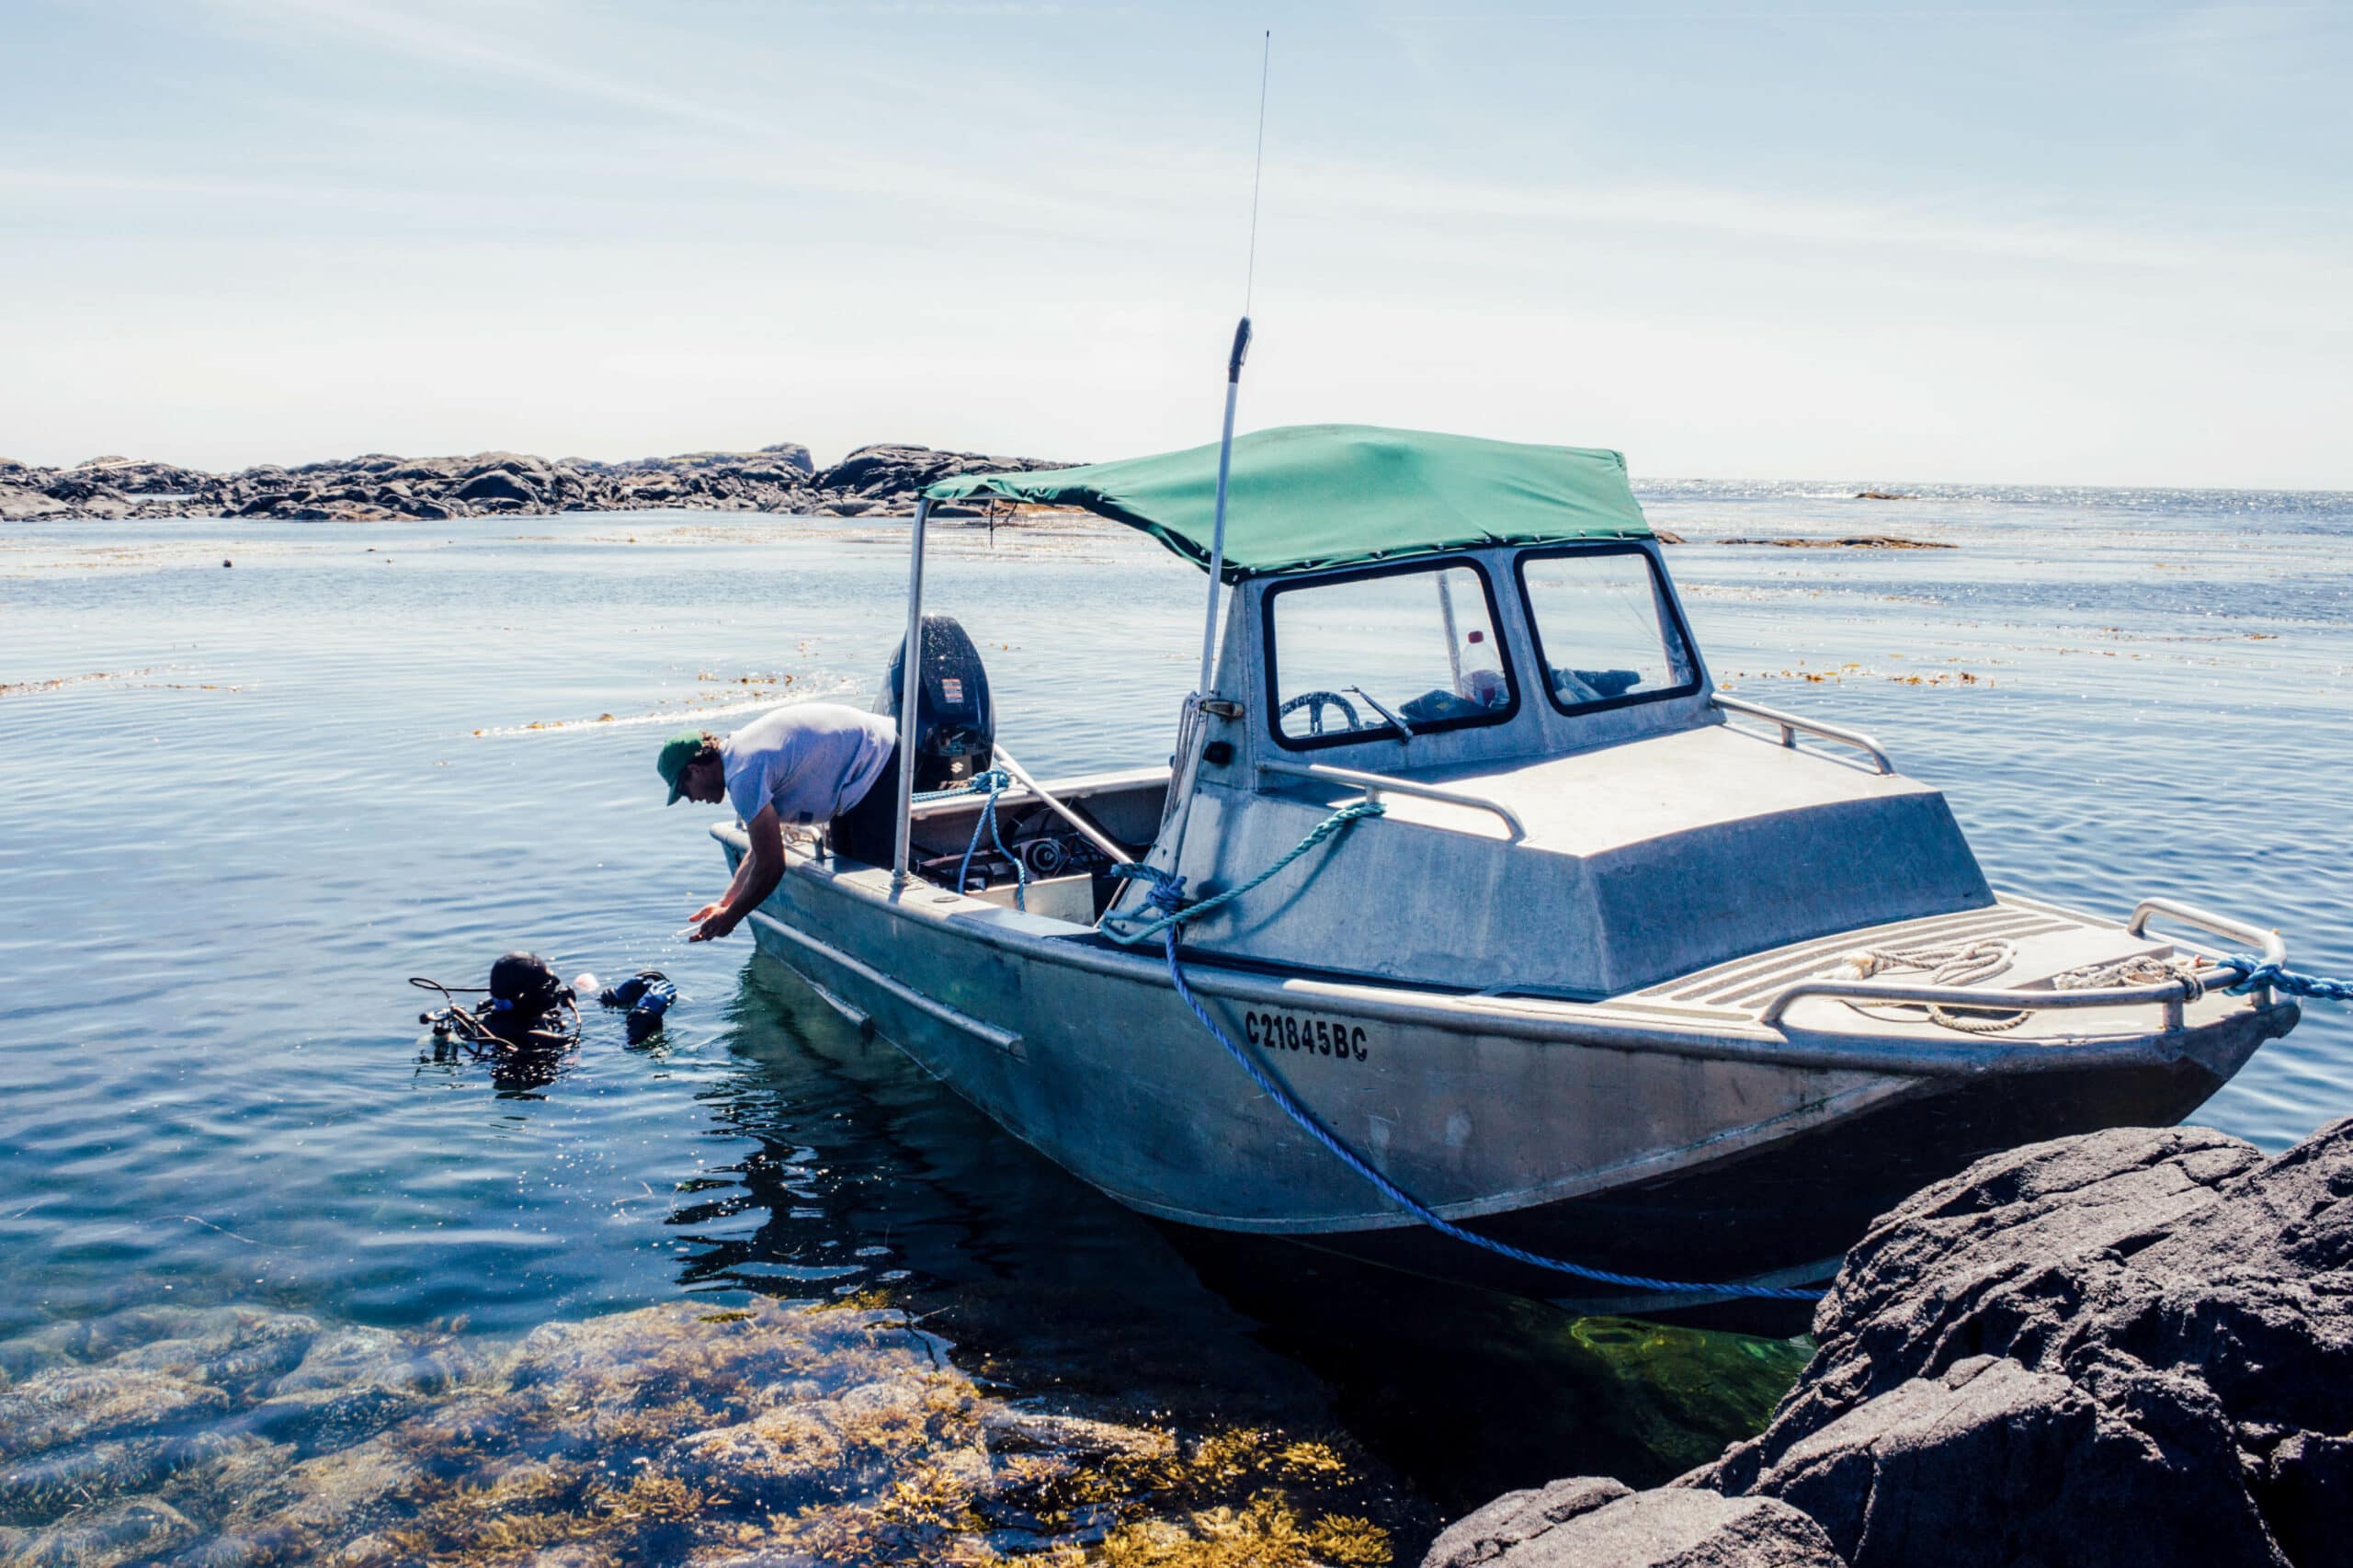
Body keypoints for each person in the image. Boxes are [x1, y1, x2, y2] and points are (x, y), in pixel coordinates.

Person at [657, 702, 899, 941]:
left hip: (878, 759)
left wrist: (731, 917)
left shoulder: (743, 777)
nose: (692, 800)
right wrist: (725, 903)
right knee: (850, 871)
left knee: (871, 887)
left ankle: (894, 942)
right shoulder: (737, 757)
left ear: (695, 771)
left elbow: (771, 865)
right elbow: (762, 849)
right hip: (859, 765)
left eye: (685, 792)